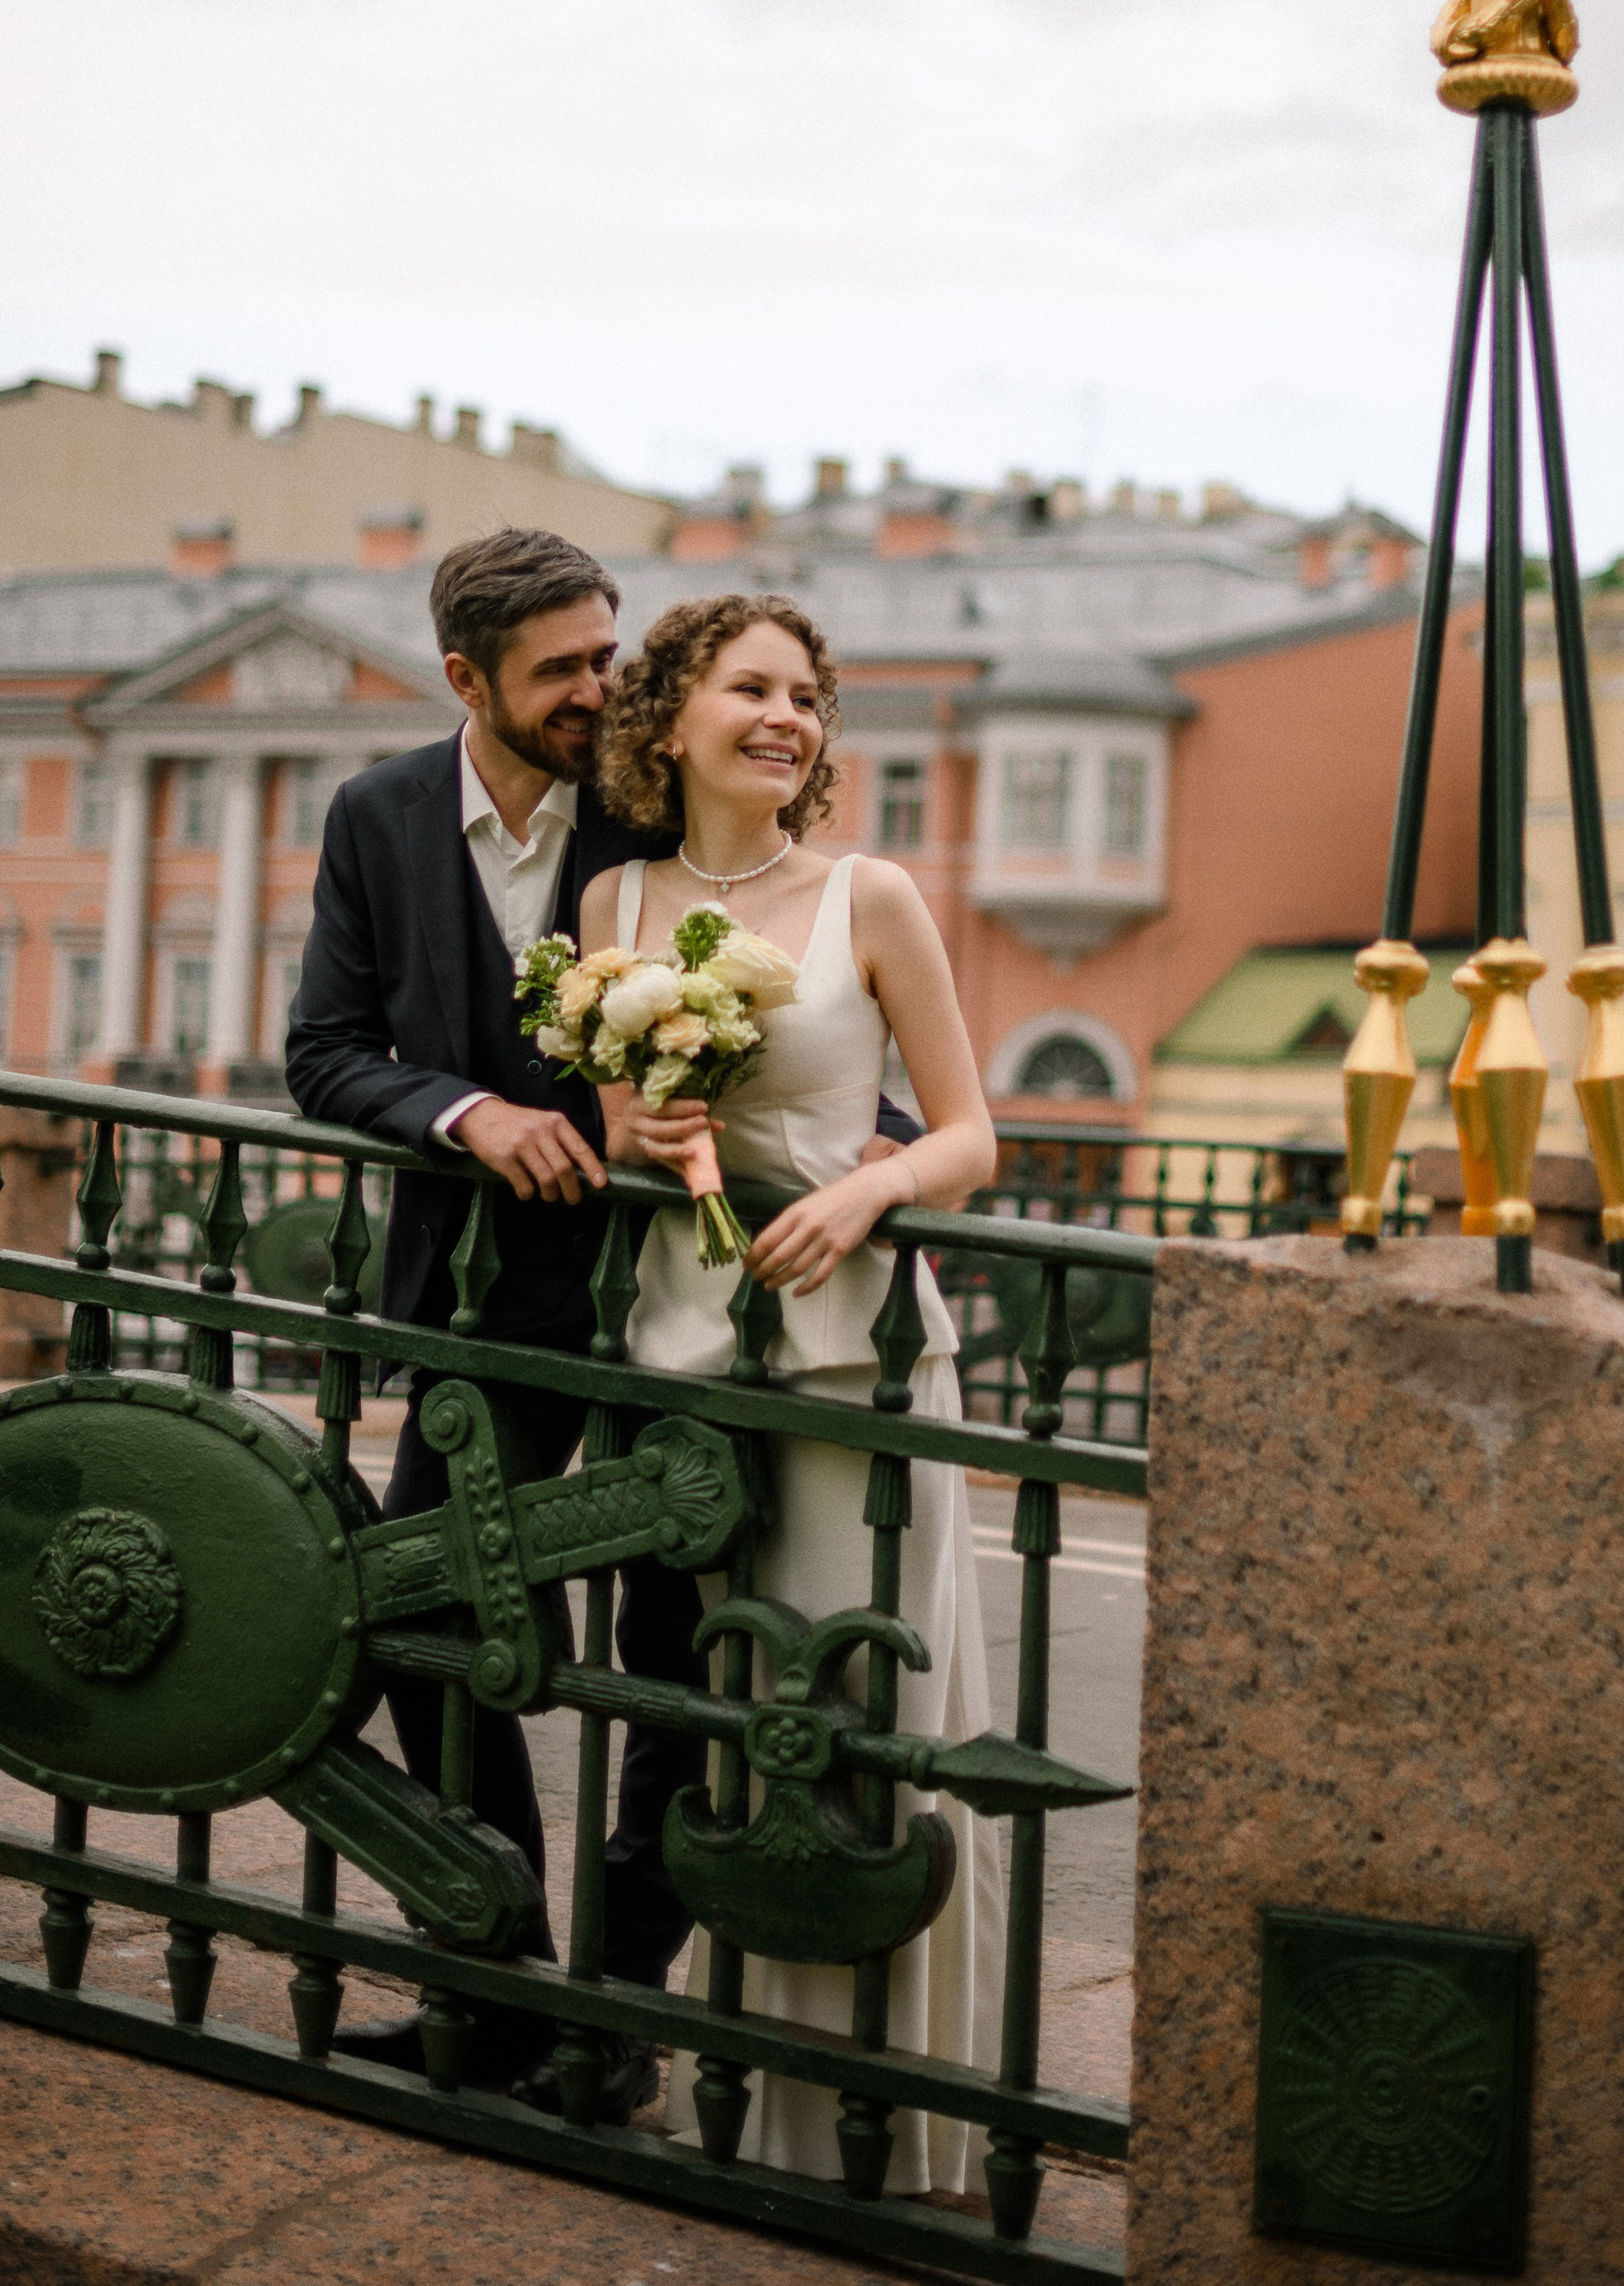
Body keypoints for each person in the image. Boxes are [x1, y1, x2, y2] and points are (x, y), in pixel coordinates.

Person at [284, 527, 917, 2115]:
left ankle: (614, 2024)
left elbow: (796, 996)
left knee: (661, 1656)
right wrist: (464, 1114)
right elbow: (326, 1050)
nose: (598, 688)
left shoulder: (645, 810)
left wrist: (888, 1152)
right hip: (474, 1306)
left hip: (662, 1301)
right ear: (464, 679)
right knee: (438, 1625)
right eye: (561, 667)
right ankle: (486, 1978)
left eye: (607, 654)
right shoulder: (374, 816)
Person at [581, 591, 1005, 2195]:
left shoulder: (871, 897)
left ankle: (896, 2131)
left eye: (808, 698)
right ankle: (766, 2106)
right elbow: (624, 1114)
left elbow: (970, 1134)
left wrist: (868, 1198)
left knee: (864, 1726)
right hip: (684, 1358)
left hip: (855, 1359)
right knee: (740, 1741)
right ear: (672, 715)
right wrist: (650, 1133)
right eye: (750, 689)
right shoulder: (617, 902)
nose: (787, 718)